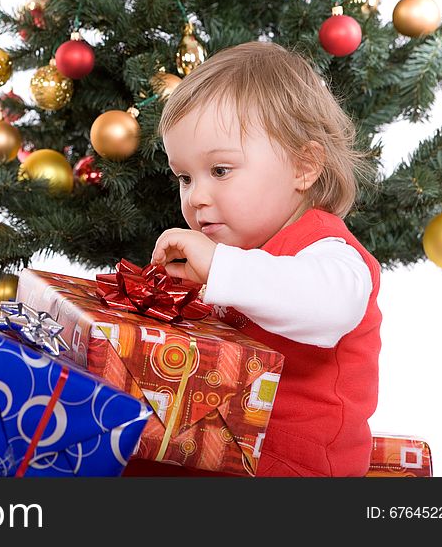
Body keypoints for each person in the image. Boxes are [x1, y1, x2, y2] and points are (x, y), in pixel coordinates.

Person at [150, 41, 381, 477]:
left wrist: (218, 266)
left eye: (220, 170)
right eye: (184, 177)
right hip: (223, 447)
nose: (196, 197)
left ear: (303, 166)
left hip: (294, 465)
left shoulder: (330, 251)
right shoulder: (237, 252)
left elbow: (327, 308)